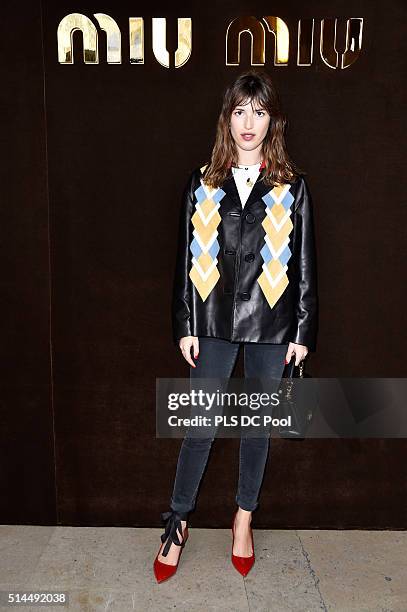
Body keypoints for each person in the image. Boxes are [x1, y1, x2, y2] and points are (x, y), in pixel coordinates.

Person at [153, 70, 318, 583]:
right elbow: (183, 258)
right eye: (240, 111)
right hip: (213, 321)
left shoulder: (292, 187)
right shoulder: (202, 182)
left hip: (273, 323)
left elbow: (306, 264)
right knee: (199, 428)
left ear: (273, 121)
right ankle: (178, 521)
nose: (249, 122)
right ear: (227, 117)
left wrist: (303, 334)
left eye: (260, 112)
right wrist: (184, 322)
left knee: (257, 429)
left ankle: (243, 520)